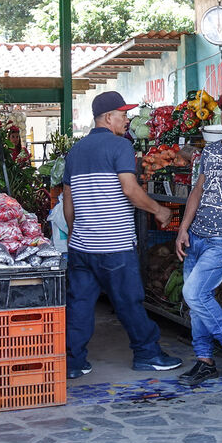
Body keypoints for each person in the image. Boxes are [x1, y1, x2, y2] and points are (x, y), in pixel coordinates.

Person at [62, 91, 183, 380]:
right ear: (108, 118)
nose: (127, 120)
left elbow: (68, 201)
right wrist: (159, 210)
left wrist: (73, 234)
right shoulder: (120, 147)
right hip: (114, 244)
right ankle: (148, 354)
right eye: (123, 114)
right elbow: (129, 189)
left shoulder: (75, 152)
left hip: (82, 245)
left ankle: (72, 362)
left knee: (79, 304)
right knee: (129, 300)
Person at [172, 93, 222, 386]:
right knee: (197, 302)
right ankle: (205, 360)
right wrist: (184, 228)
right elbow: (197, 190)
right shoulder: (209, 151)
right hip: (198, 236)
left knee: (194, 294)